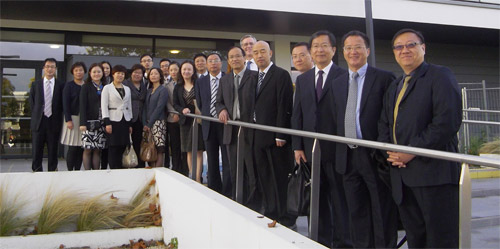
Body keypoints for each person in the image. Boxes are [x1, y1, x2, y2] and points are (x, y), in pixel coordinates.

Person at [378, 28, 462, 248]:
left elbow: (446, 123)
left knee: (440, 239)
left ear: (423, 48)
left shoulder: (440, 76)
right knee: (415, 237)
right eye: (399, 46)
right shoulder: (396, 85)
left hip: (434, 175)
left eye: (411, 45)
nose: (404, 50)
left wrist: (410, 152)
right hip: (402, 177)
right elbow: (385, 123)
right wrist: (392, 153)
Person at [330, 30, 397, 248]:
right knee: (356, 211)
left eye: (358, 47)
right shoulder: (338, 83)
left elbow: (389, 118)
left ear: (367, 51)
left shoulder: (385, 79)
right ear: (343, 52)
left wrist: (384, 151)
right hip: (347, 156)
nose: (353, 52)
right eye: (348, 48)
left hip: (374, 155)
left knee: (381, 210)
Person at [291, 30, 351, 248]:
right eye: (315, 46)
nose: (319, 50)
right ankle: (321, 240)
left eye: (324, 45)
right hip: (310, 150)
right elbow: (298, 114)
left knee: (339, 199)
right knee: (317, 198)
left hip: (337, 151)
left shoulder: (344, 76)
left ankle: (343, 242)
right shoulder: (304, 79)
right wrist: (297, 146)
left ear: (334, 50)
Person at [251, 40, 294, 227]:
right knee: (264, 176)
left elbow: (284, 105)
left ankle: (283, 216)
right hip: (257, 136)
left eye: (263, 51)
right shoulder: (253, 77)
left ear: (271, 53)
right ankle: (270, 211)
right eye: (256, 52)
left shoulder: (281, 75)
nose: (259, 55)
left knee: (278, 177)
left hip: (275, 137)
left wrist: (280, 134)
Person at [216, 46, 258, 205]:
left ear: (244, 58)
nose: (234, 59)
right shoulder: (224, 79)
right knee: (235, 168)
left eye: (237, 56)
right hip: (231, 130)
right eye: (231, 57)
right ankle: (238, 200)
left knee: (251, 168)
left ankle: (253, 203)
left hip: (249, 129)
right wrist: (222, 110)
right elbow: (218, 101)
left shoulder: (254, 76)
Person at [195, 52, 230, 196]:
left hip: (225, 123)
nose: (213, 63)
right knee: (211, 157)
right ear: (207, 64)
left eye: (216, 60)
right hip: (209, 123)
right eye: (210, 61)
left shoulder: (228, 78)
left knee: (227, 157)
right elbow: (201, 102)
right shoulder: (200, 81)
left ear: (221, 63)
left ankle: (228, 189)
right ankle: (215, 188)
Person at [29, 58, 64, 172]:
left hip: (54, 122)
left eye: (52, 67)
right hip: (39, 122)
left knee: (53, 151)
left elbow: (61, 104)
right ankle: (37, 173)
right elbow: (32, 103)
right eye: (47, 66)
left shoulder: (61, 85)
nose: (50, 69)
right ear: (44, 68)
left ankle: (52, 174)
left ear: (56, 69)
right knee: (37, 151)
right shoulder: (36, 84)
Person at [173, 60, 205, 182]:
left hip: (198, 120)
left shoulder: (199, 83)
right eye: (184, 69)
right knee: (188, 150)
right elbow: (175, 104)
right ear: (181, 71)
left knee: (198, 150)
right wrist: (182, 110)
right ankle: (191, 176)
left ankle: (198, 178)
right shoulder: (178, 86)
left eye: (189, 69)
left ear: (193, 71)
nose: (186, 71)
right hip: (185, 121)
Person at [101, 65, 133, 169]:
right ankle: (114, 169)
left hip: (125, 120)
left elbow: (129, 106)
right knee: (113, 147)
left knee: (123, 146)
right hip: (113, 120)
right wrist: (107, 122)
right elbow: (104, 105)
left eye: (122, 74)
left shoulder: (127, 89)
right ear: (113, 74)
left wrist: (130, 123)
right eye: (118, 73)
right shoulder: (107, 88)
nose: (120, 75)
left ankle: (122, 169)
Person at [80, 63, 107, 170]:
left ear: (102, 73)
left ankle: (96, 173)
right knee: (88, 149)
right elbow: (82, 105)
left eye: (99, 72)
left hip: (101, 122)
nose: (96, 74)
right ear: (90, 73)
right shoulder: (86, 86)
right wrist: (82, 123)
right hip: (88, 122)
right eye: (94, 72)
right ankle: (87, 173)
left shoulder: (106, 86)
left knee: (97, 149)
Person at [61, 61, 86, 171]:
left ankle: (77, 170)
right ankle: (70, 171)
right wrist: (68, 120)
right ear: (73, 72)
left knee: (82, 146)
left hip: (84, 119)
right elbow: (65, 104)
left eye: (80, 70)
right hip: (73, 118)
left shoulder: (87, 85)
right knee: (72, 147)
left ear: (84, 71)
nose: (79, 72)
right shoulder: (69, 85)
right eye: (76, 70)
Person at [164, 62, 188, 175]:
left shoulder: (184, 83)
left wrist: (180, 112)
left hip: (184, 117)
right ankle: (176, 167)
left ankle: (185, 169)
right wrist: (174, 113)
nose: (174, 72)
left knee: (184, 144)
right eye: (171, 70)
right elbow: (167, 102)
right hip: (172, 118)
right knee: (174, 144)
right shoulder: (166, 85)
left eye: (176, 69)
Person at [142, 67, 168, 168]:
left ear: (160, 76)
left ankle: (158, 170)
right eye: (151, 74)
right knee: (149, 146)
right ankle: (151, 169)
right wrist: (145, 123)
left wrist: (150, 123)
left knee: (159, 148)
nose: (153, 75)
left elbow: (160, 107)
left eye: (156, 74)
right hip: (147, 123)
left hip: (158, 122)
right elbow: (144, 108)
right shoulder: (148, 90)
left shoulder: (163, 90)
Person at [123, 64, 147, 168]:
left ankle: (138, 166)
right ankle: (126, 164)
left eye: (140, 73)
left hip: (140, 118)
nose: (137, 75)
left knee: (138, 143)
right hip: (128, 118)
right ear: (131, 73)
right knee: (126, 144)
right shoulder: (125, 84)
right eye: (135, 72)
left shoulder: (144, 84)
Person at [160, 58, 172, 168]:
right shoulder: (158, 81)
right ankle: (165, 164)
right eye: (162, 66)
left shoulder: (175, 80)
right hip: (160, 116)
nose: (165, 68)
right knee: (162, 142)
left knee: (172, 141)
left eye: (167, 66)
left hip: (172, 116)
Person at [100, 61, 112, 170]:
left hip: (112, 117)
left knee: (109, 145)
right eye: (103, 68)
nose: (105, 70)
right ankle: (102, 167)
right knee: (101, 146)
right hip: (100, 117)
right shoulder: (98, 83)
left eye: (107, 68)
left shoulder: (114, 82)